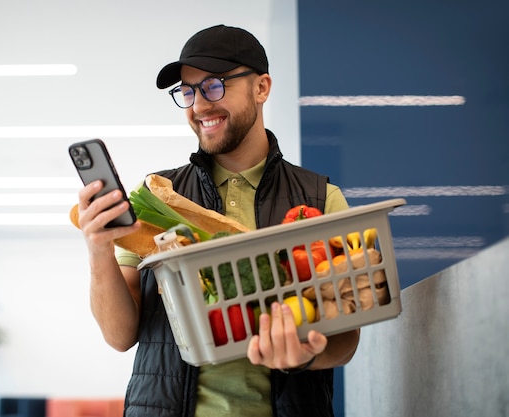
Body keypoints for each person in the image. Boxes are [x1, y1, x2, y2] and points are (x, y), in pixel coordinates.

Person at [76, 24, 360, 417]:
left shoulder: (319, 199)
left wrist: (307, 354)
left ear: (261, 88)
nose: (198, 106)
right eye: (188, 92)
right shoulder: (157, 195)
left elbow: (346, 339)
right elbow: (119, 335)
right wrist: (98, 250)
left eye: (214, 86)